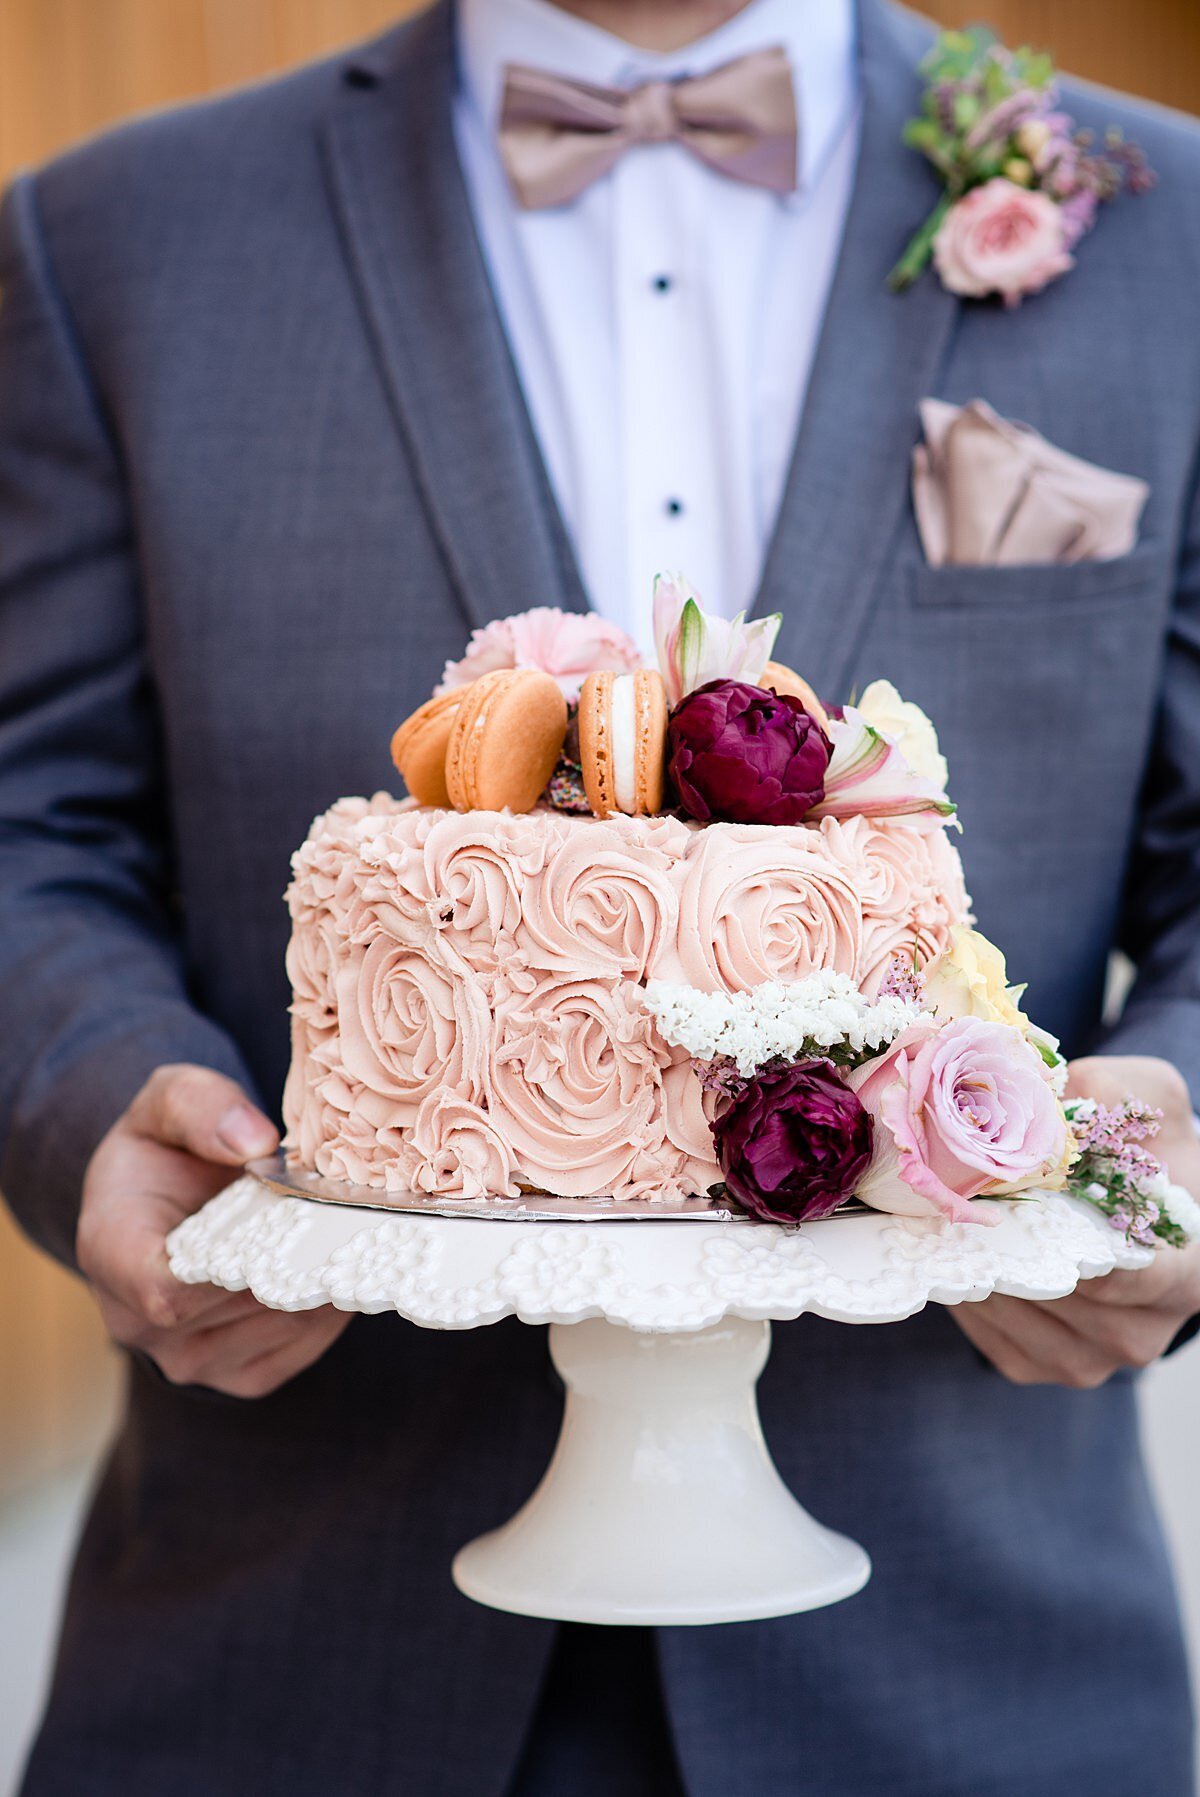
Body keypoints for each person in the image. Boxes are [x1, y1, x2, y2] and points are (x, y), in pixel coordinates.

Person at [2, 0, 1199, 1789]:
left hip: (968, 1665)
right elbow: (27, 815)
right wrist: (90, 1091)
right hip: (296, 1655)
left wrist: (1170, 1138)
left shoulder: (1171, 230)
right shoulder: (116, 240)